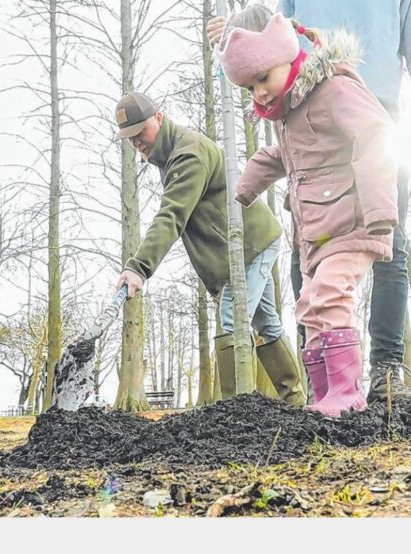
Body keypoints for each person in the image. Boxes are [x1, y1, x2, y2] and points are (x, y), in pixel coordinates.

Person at [208, 0, 411, 405]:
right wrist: (236, 34)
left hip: (375, 116)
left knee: (386, 242)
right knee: (307, 264)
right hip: (303, 111)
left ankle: (383, 373)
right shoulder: (276, 82)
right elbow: (275, 29)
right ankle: (323, 380)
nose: (254, 93)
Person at [217, 7, 398, 417]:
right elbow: (280, 156)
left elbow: (376, 135)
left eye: (262, 78)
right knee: (309, 305)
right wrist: (244, 189)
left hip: (353, 221)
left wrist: (380, 209)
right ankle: (324, 394)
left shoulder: (334, 90)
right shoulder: (286, 114)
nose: (259, 93)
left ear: (285, 55)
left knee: (331, 292)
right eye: (248, 88)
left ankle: (347, 394)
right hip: (316, 234)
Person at [112, 92, 306, 406]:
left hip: (249, 244)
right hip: (252, 240)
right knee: (266, 322)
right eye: (129, 137)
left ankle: (230, 413)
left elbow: (172, 214)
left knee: (231, 318)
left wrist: (138, 267)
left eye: (140, 131)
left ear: (159, 117)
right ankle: (296, 402)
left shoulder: (188, 154)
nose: (137, 141)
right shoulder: (171, 154)